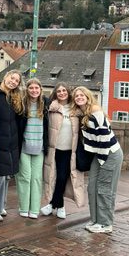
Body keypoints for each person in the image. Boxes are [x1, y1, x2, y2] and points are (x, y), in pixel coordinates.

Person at [73, 86, 123, 234]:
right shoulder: (82, 113)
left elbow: (104, 138)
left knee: (105, 188)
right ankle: (95, 220)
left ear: (88, 97)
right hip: (99, 154)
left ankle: (106, 223)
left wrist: (102, 160)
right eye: (76, 96)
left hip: (109, 153)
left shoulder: (95, 111)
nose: (79, 98)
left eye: (82, 95)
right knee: (92, 187)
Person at [41, 82, 85, 219]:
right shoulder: (52, 108)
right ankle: (59, 206)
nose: (61, 93)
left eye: (64, 90)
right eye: (59, 91)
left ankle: (53, 204)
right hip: (54, 149)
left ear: (68, 92)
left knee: (62, 178)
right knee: (52, 178)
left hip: (69, 151)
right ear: (55, 93)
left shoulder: (76, 110)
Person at [0, 69, 25, 221]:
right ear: (6, 77)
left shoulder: (14, 97)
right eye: (12, 78)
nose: (13, 82)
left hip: (11, 142)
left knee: (8, 175)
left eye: (16, 81)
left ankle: (1, 205)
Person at [16, 78, 48, 219]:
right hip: (24, 146)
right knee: (24, 177)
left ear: (40, 89)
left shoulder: (46, 104)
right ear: (27, 90)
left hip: (39, 148)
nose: (34, 90)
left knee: (36, 178)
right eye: (31, 88)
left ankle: (34, 209)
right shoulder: (22, 104)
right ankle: (23, 207)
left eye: (37, 88)